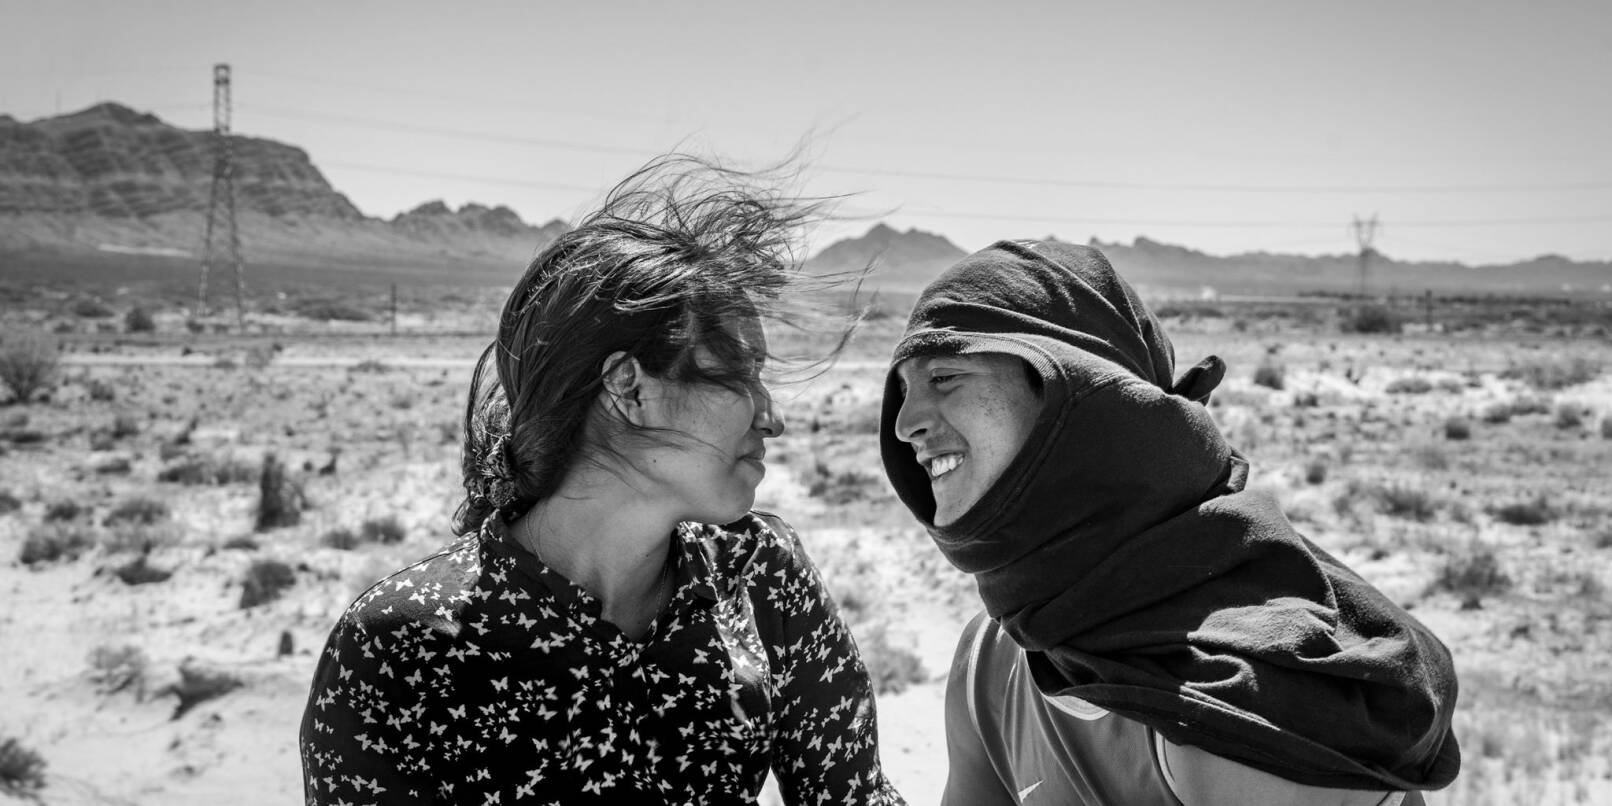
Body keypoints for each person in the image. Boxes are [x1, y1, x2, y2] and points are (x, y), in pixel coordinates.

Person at [300, 157, 905, 805]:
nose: (773, 417)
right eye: (739, 374)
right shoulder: (401, 648)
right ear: (629, 388)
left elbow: (855, 797)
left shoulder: (760, 575)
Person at [878, 239, 1461, 804]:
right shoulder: (992, 655)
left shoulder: (1248, 702)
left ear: (1075, 396)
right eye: (903, 390)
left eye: (946, 377)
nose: (906, 425)